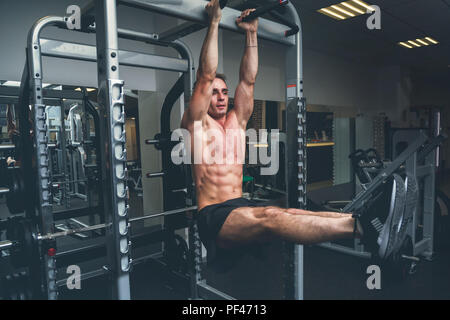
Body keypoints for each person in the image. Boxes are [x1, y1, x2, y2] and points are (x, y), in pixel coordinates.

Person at [180, 0, 403, 270]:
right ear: (202, 97)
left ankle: (370, 225)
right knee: (272, 215)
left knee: (292, 211)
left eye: (224, 92)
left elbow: (248, 80)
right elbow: (205, 75)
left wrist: (252, 33)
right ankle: (366, 228)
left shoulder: (236, 121)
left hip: (238, 204)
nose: (221, 97)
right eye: (214, 93)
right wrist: (214, 22)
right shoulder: (197, 123)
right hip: (213, 216)